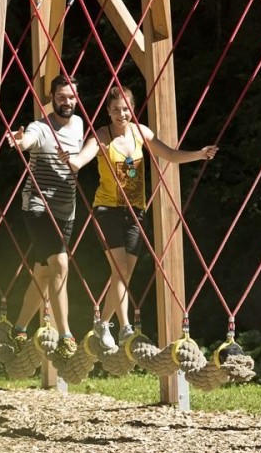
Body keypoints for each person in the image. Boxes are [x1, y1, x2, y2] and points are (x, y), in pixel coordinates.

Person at [61, 86, 218, 345]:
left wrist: (199, 154)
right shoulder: (102, 136)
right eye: (115, 110)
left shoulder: (141, 133)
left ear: (132, 109)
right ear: (108, 112)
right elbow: (82, 159)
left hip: (135, 211)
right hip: (107, 209)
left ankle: (102, 324)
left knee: (124, 273)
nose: (121, 114)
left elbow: (169, 154)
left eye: (125, 109)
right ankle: (123, 327)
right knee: (120, 268)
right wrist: (71, 162)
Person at [6, 75, 119, 354]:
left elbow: (80, 158)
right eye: (61, 97)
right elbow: (28, 140)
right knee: (61, 265)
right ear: (52, 98)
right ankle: (66, 336)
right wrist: (19, 142)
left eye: (71, 97)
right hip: (37, 205)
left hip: (66, 210)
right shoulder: (40, 128)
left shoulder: (80, 123)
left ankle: (18, 329)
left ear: (76, 98)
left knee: (43, 273)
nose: (66, 102)